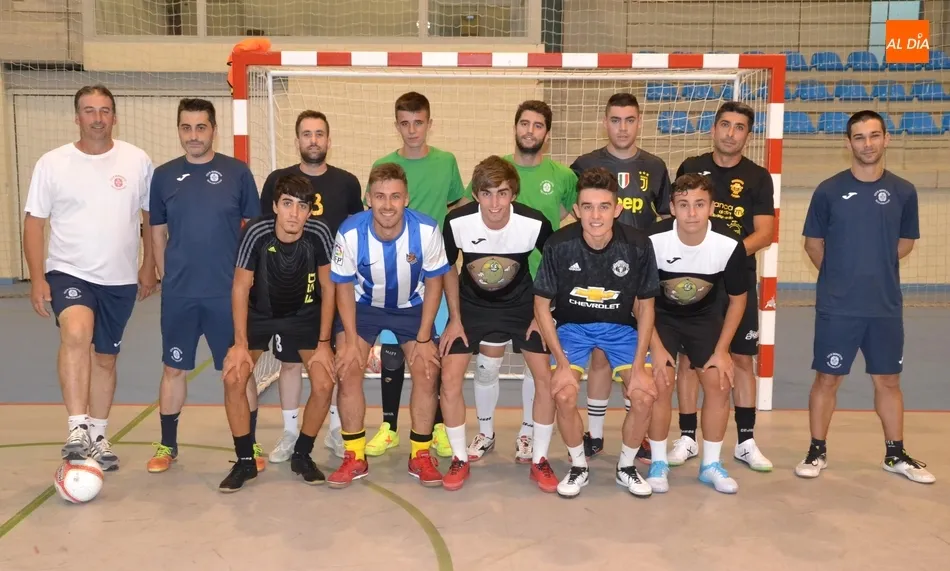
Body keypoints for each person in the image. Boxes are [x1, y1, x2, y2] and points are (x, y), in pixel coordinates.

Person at [23, 84, 157, 471]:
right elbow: (34, 223)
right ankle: (77, 427)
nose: (97, 118)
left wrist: (148, 265)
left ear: (115, 117)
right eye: (88, 110)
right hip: (69, 270)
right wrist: (36, 278)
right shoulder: (53, 163)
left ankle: (98, 435)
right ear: (76, 116)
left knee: (106, 358)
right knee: (76, 333)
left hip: (119, 280)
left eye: (104, 110)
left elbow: (149, 218)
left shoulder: (136, 161)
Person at [796, 110, 934, 484]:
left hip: (885, 306)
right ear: (848, 143)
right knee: (827, 379)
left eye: (874, 135)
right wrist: (842, 276)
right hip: (837, 307)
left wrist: (873, 266)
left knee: (888, 381)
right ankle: (816, 449)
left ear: (886, 139)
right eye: (859, 137)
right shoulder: (828, 190)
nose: (867, 144)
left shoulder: (905, 191)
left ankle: (895, 453)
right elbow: (812, 244)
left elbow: (905, 243)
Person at [146, 98, 262, 474]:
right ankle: (167, 445)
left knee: (237, 371)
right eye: (186, 127)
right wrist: (167, 276)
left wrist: (248, 282)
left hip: (226, 294)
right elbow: (157, 232)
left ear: (213, 129)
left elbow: (255, 231)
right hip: (180, 294)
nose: (193, 135)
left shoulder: (237, 172)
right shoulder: (163, 176)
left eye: (201, 127)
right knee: (173, 369)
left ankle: (251, 443)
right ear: (178, 130)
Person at [533, 167, 660, 499]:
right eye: (587, 206)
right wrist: (560, 363)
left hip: (620, 329)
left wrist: (641, 366)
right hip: (573, 328)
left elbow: (646, 307)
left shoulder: (638, 246)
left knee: (645, 395)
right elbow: (541, 306)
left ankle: (626, 467)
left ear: (617, 209)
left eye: (604, 206)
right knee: (562, 393)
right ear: (576, 210)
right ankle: (578, 466)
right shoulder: (559, 245)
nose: (595, 214)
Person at [465, 100, 578, 464]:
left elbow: (574, 220)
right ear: (515, 127)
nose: (530, 131)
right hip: (495, 288)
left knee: (537, 364)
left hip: (541, 288)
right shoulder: (494, 169)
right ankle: (485, 432)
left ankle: (527, 435)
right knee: (488, 363)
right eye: (524, 124)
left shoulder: (563, 176)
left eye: (538, 125)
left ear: (547, 132)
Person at [438, 156, 557, 492]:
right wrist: (454, 319)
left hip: (522, 307)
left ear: (513, 194)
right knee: (449, 379)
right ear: (476, 195)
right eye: (487, 194)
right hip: (472, 308)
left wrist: (540, 313)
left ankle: (540, 459)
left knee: (544, 379)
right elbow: (447, 268)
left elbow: (557, 261)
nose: (495, 203)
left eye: (502, 193)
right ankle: (460, 457)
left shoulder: (533, 223)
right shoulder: (457, 222)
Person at [328, 163, 450, 489]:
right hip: (363, 306)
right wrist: (351, 340)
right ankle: (354, 456)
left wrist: (424, 337)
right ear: (368, 198)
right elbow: (341, 286)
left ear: (406, 198)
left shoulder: (426, 230)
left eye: (395, 196)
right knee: (349, 367)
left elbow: (436, 283)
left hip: (411, 306)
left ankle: (421, 454)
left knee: (427, 368)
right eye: (380, 196)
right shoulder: (350, 232)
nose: (387, 204)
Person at [218, 174, 337, 491]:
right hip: (260, 314)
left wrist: (324, 343)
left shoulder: (319, 233)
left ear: (310, 211)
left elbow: (328, 286)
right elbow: (241, 287)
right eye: (287, 204)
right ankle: (245, 462)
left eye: (302, 206)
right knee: (234, 376)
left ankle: (302, 454)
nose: (294, 214)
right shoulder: (256, 231)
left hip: (304, 315)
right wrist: (240, 344)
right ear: (275, 207)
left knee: (324, 381)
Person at [569, 92, 672, 461]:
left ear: (639, 122)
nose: (623, 127)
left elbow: (663, 222)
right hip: (596, 276)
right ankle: (594, 436)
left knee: (637, 359)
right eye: (615, 119)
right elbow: (572, 217)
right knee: (598, 355)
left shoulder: (657, 167)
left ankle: (639, 434)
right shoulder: (584, 164)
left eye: (630, 119)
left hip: (637, 277)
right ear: (605, 122)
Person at [673, 101, 775, 471]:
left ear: (748, 134)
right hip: (690, 279)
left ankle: (746, 441)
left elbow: (765, 232)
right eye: (725, 125)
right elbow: (677, 220)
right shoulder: (690, 167)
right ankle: (687, 437)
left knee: (742, 358)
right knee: (688, 357)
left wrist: (724, 258)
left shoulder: (758, 177)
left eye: (740, 127)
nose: (731, 133)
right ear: (713, 128)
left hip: (735, 280)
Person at [257, 110, 363, 464]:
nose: (313, 140)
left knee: (334, 364)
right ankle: (289, 433)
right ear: (297, 140)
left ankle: (335, 430)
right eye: (306, 134)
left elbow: (354, 235)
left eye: (319, 134)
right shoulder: (278, 180)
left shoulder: (347, 183)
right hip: (292, 293)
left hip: (335, 288)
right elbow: (263, 236)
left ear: (329, 140)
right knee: (289, 364)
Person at [364, 91, 462, 460]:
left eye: (418, 122)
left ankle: (436, 426)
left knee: (430, 353)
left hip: (432, 275)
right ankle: (389, 427)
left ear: (429, 123)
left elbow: (458, 208)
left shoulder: (446, 162)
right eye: (404, 123)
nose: (412, 130)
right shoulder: (383, 164)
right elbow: (372, 216)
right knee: (392, 352)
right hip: (391, 274)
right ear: (396, 125)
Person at [646, 173, 748, 494]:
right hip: (661, 316)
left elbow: (738, 300)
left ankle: (711, 464)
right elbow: (642, 300)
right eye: (684, 204)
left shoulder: (729, 244)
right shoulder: (652, 240)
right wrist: (656, 348)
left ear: (712, 208)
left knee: (718, 380)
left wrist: (722, 351)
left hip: (704, 318)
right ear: (672, 208)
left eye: (699, 204)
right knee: (661, 381)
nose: (692, 212)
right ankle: (659, 462)